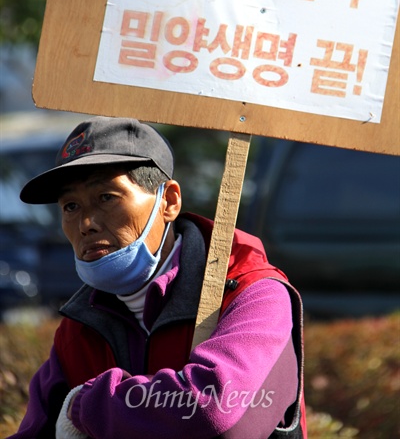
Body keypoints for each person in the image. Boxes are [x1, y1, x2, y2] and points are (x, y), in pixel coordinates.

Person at [12, 116, 306, 439]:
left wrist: (84, 405)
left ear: (169, 201)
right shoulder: (79, 329)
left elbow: (209, 404)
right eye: (70, 206)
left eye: (106, 198)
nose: (86, 223)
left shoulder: (252, 293)